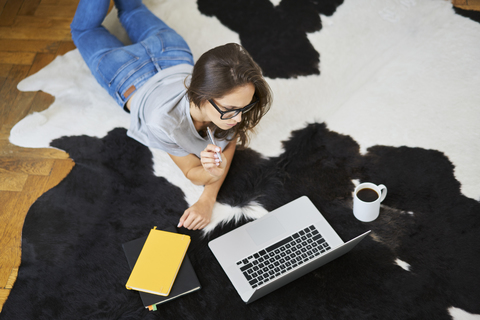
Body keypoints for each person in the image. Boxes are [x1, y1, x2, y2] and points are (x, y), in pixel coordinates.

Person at [70, 0, 272, 230]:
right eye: (230, 111)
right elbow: (190, 171)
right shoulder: (164, 123)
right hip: (125, 73)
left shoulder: (229, 104)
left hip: (170, 51)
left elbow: (222, 149)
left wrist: (211, 175)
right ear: (203, 95)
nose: (238, 119)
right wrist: (209, 190)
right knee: (85, 29)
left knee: (132, 9)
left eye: (244, 108)